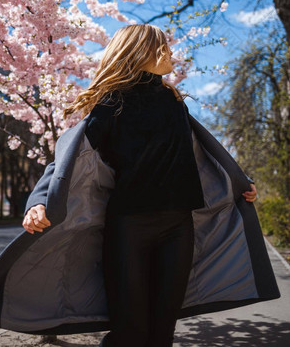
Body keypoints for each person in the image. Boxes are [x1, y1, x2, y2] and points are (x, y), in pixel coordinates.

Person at [22, 24, 257, 347]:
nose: (172, 52)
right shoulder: (113, 103)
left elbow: (204, 154)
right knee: (131, 333)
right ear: (142, 52)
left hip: (178, 227)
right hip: (128, 229)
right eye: (164, 46)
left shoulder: (174, 101)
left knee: (162, 333)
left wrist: (239, 183)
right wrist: (38, 200)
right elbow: (71, 155)